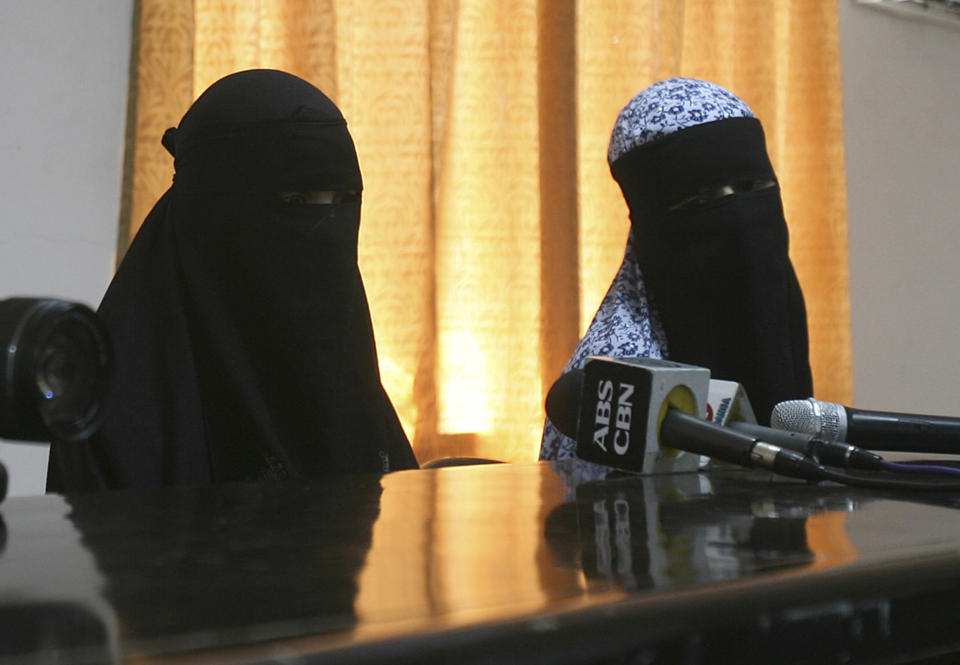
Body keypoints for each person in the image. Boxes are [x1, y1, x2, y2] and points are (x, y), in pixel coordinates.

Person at [47, 69, 418, 492]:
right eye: (295, 202)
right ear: (216, 212)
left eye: (342, 202)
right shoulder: (110, 408)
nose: (324, 228)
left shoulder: (338, 376)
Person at [541, 77, 812, 472]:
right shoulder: (622, 381)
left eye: (754, 187)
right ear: (651, 222)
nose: (741, 221)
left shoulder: (777, 298)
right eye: (703, 201)